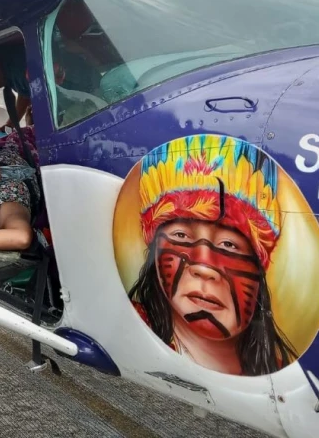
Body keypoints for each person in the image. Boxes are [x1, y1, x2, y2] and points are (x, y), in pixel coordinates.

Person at [127, 135, 297, 376]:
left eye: (229, 245)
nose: (204, 267)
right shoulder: (126, 327)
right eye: (181, 236)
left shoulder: (285, 373)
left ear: (259, 269)